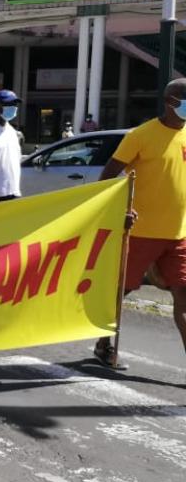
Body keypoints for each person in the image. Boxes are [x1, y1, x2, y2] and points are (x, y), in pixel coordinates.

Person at [94, 78, 186, 366]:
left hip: (179, 232)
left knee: (183, 295)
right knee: (123, 290)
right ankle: (103, 341)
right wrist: (117, 210)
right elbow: (108, 178)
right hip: (141, 231)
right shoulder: (141, 135)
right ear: (171, 101)